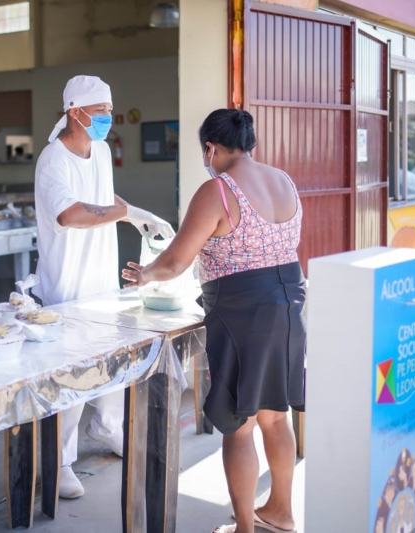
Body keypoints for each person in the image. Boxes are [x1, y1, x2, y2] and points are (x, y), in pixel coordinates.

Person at [122, 109, 305, 533]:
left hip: (243, 314)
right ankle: (281, 510)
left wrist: (144, 275)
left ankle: (244, 527)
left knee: (238, 427)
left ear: (211, 148)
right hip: (290, 305)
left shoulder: (218, 190)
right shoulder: (284, 181)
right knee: (276, 416)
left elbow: (175, 261)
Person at [34, 75, 175, 499]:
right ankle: (60, 462)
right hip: (67, 284)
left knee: (114, 363)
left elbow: (106, 202)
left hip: (100, 279)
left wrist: (135, 213)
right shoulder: (52, 160)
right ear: (74, 112)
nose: (108, 119)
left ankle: (108, 427)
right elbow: (71, 215)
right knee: (72, 380)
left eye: (110, 111)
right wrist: (123, 214)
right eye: (100, 112)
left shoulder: (101, 151)